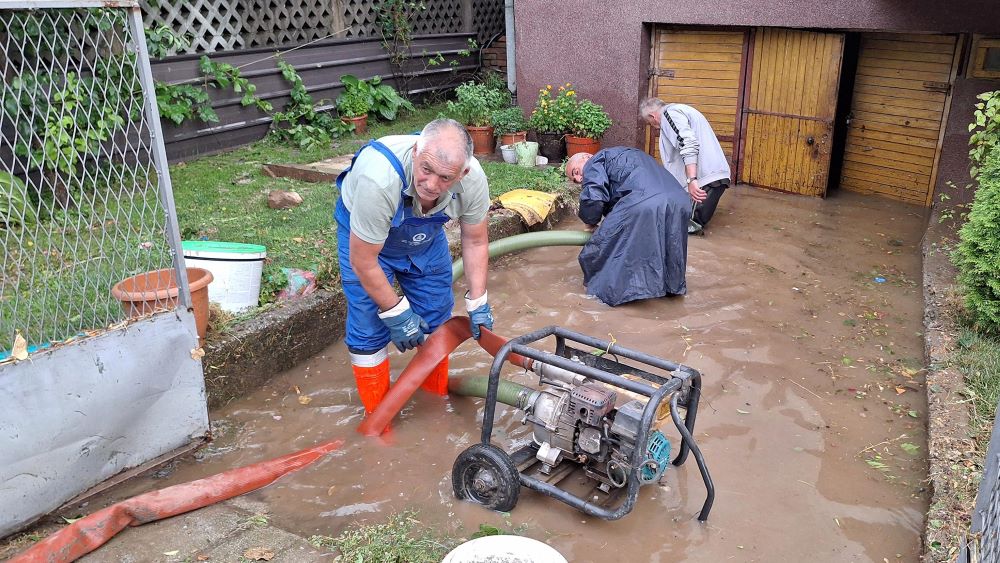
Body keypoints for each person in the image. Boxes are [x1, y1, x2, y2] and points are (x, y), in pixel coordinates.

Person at [335, 118, 494, 416]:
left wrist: (478, 301)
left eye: (446, 178)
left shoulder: (473, 182)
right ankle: (377, 420)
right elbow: (364, 260)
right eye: (426, 169)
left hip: (424, 238)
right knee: (369, 326)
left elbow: (475, 242)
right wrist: (396, 313)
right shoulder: (379, 178)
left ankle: (433, 406)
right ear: (415, 151)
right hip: (366, 243)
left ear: (464, 172)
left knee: (436, 315)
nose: (432, 185)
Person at [565, 147, 691, 306]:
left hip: (646, 201)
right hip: (680, 201)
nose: (577, 179)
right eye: (573, 179)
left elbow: (593, 197)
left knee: (597, 249)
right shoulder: (630, 155)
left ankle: (603, 297)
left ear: (586, 156)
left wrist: (590, 221)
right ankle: (669, 295)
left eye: (575, 172)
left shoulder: (594, 161)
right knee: (667, 249)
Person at [639, 97, 731, 234]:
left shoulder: (669, 115)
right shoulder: (681, 110)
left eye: (649, 123)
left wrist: (692, 180)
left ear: (652, 116)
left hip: (704, 181)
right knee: (682, 225)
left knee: (684, 227)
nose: (653, 126)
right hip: (712, 178)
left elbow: (687, 143)